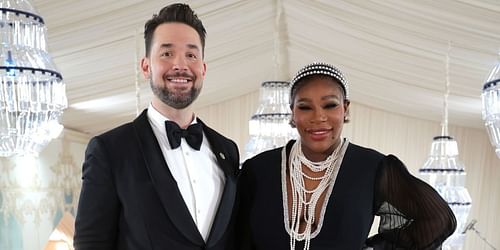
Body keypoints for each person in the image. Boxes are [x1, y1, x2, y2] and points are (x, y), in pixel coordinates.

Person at [236, 62, 456, 250]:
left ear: (345, 109)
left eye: (330, 105)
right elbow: (237, 240)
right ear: (293, 113)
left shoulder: (372, 168)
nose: (318, 117)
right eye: (305, 107)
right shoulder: (258, 170)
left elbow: (439, 219)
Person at [73, 3, 240, 250]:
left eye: (191, 55)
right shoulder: (110, 149)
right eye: (167, 53)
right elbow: (91, 243)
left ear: (203, 69)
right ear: (146, 66)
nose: (180, 65)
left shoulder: (228, 149)